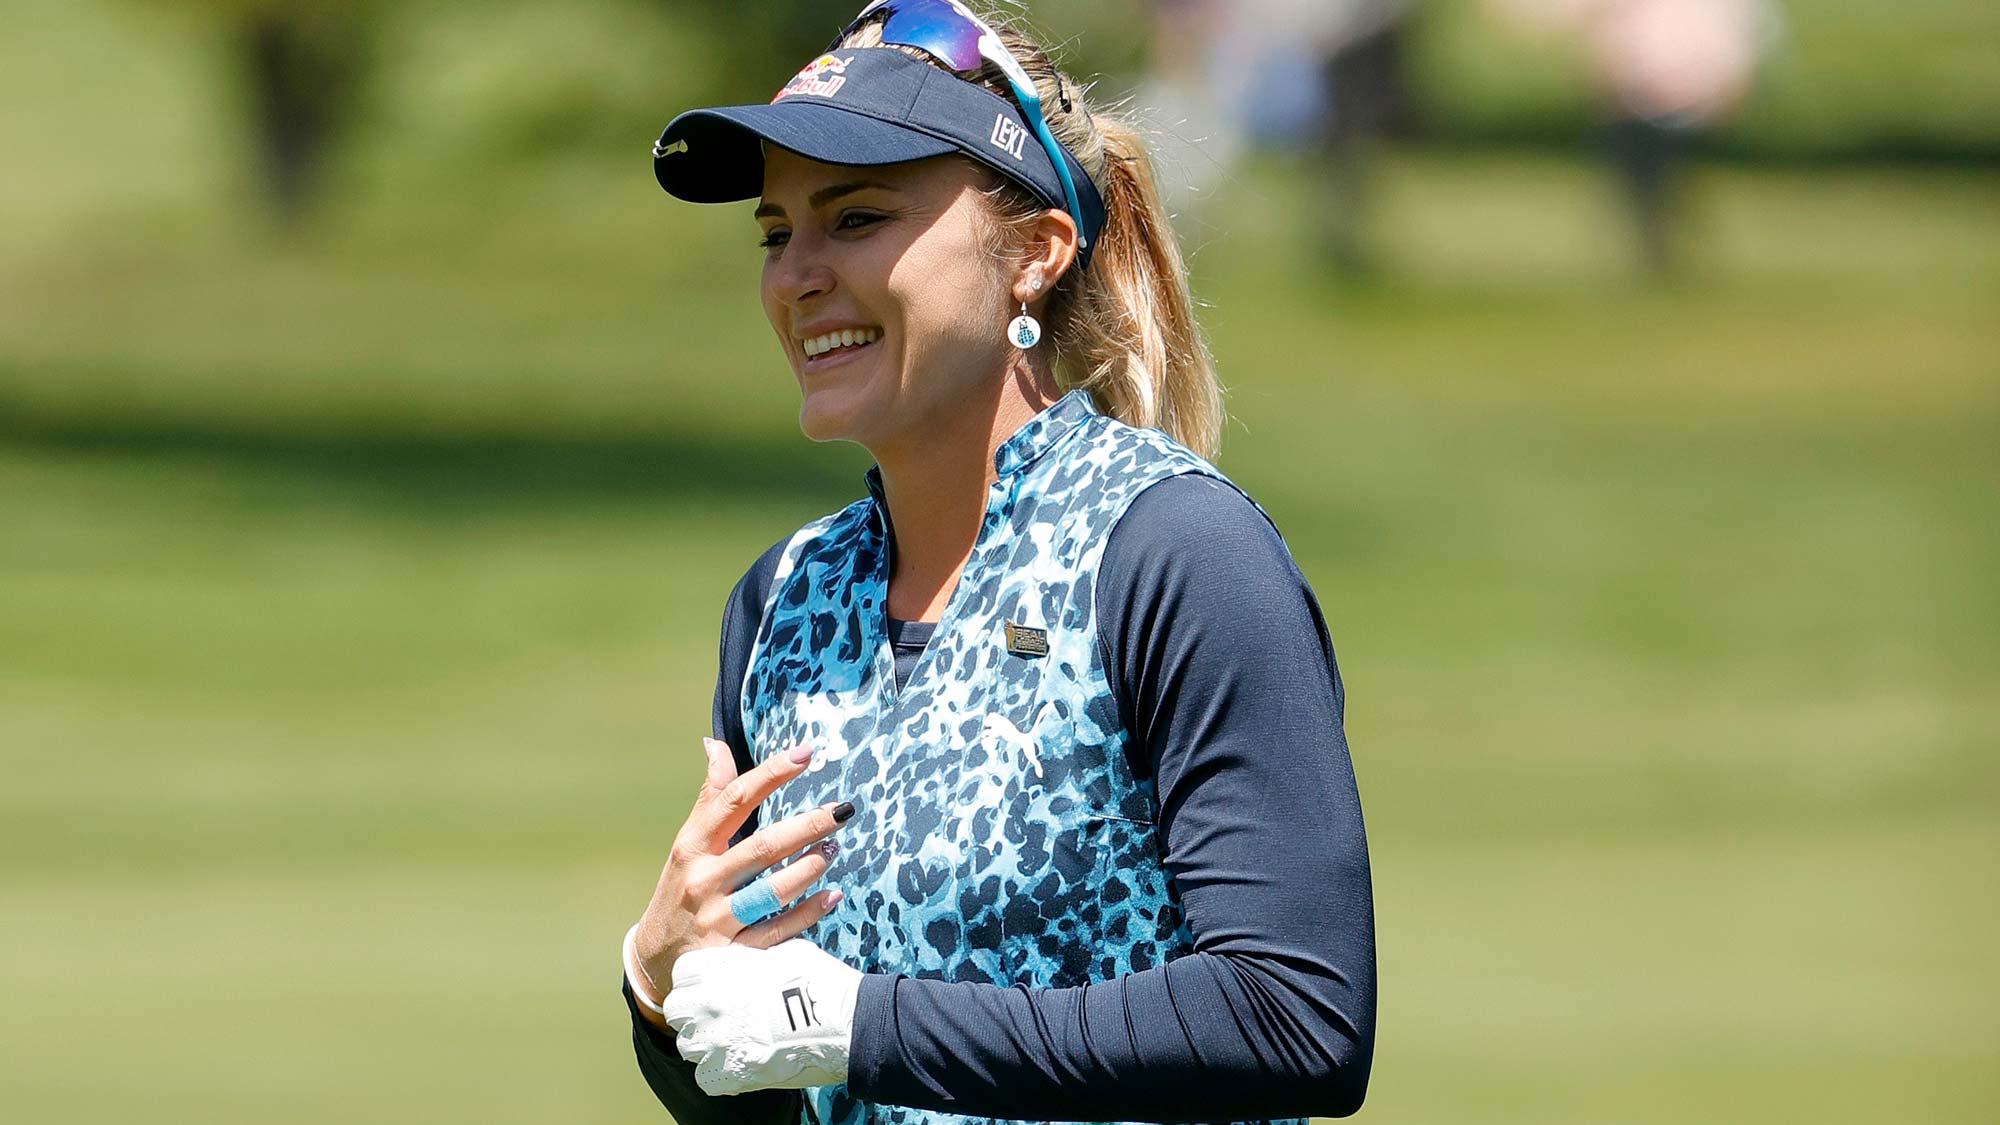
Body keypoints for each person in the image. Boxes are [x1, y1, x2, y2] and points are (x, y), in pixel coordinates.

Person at [620, 4, 1376, 1123]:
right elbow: (762, 1084)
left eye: (857, 216)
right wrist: (657, 984)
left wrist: (867, 1026)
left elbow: (1293, 1014)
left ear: (1032, 254)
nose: (798, 276)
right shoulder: (784, 603)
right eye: (776, 233)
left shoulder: (1173, 552)